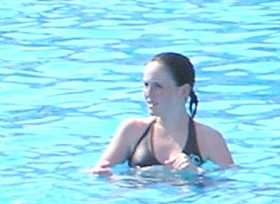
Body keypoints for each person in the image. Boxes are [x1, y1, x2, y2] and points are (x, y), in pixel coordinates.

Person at [94, 52, 236, 172]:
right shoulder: (132, 130)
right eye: (146, 85)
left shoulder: (209, 138)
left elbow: (230, 186)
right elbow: (98, 172)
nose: (148, 93)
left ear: (183, 91)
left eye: (157, 86)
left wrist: (196, 174)